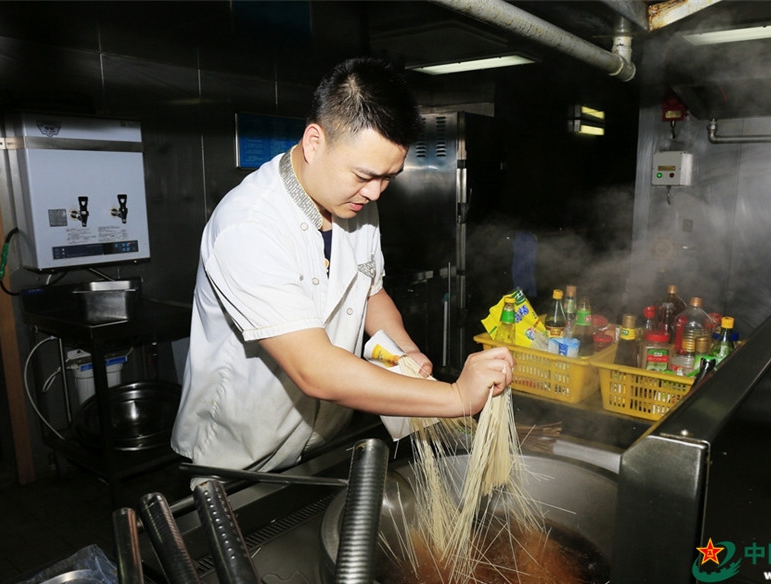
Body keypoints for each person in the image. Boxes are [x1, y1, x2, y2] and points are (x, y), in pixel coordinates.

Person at [171, 58, 515, 473]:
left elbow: (369, 291)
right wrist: (456, 397)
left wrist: (404, 350)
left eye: (388, 177)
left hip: (320, 440)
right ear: (314, 142)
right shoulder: (247, 226)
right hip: (239, 458)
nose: (375, 193)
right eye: (365, 175)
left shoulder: (354, 201)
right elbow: (316, 370)